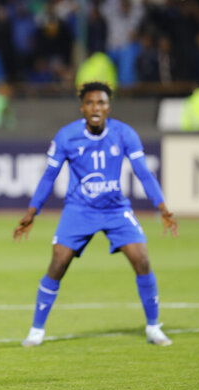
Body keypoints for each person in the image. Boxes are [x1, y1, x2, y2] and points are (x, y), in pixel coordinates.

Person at [13, 81, 179, 348]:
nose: (95, 108)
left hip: (116, 210)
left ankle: (153, 327)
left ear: (108, 106)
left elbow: (144, 173)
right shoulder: (67, 136)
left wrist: (162, 208)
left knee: (143, 261)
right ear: (82, 107)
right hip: (79, 210)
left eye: (101, 102)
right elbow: (48, 177)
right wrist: (32, 212)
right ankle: (36, 330)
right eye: (90, 103)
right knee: (57, 264)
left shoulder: (124, 133)